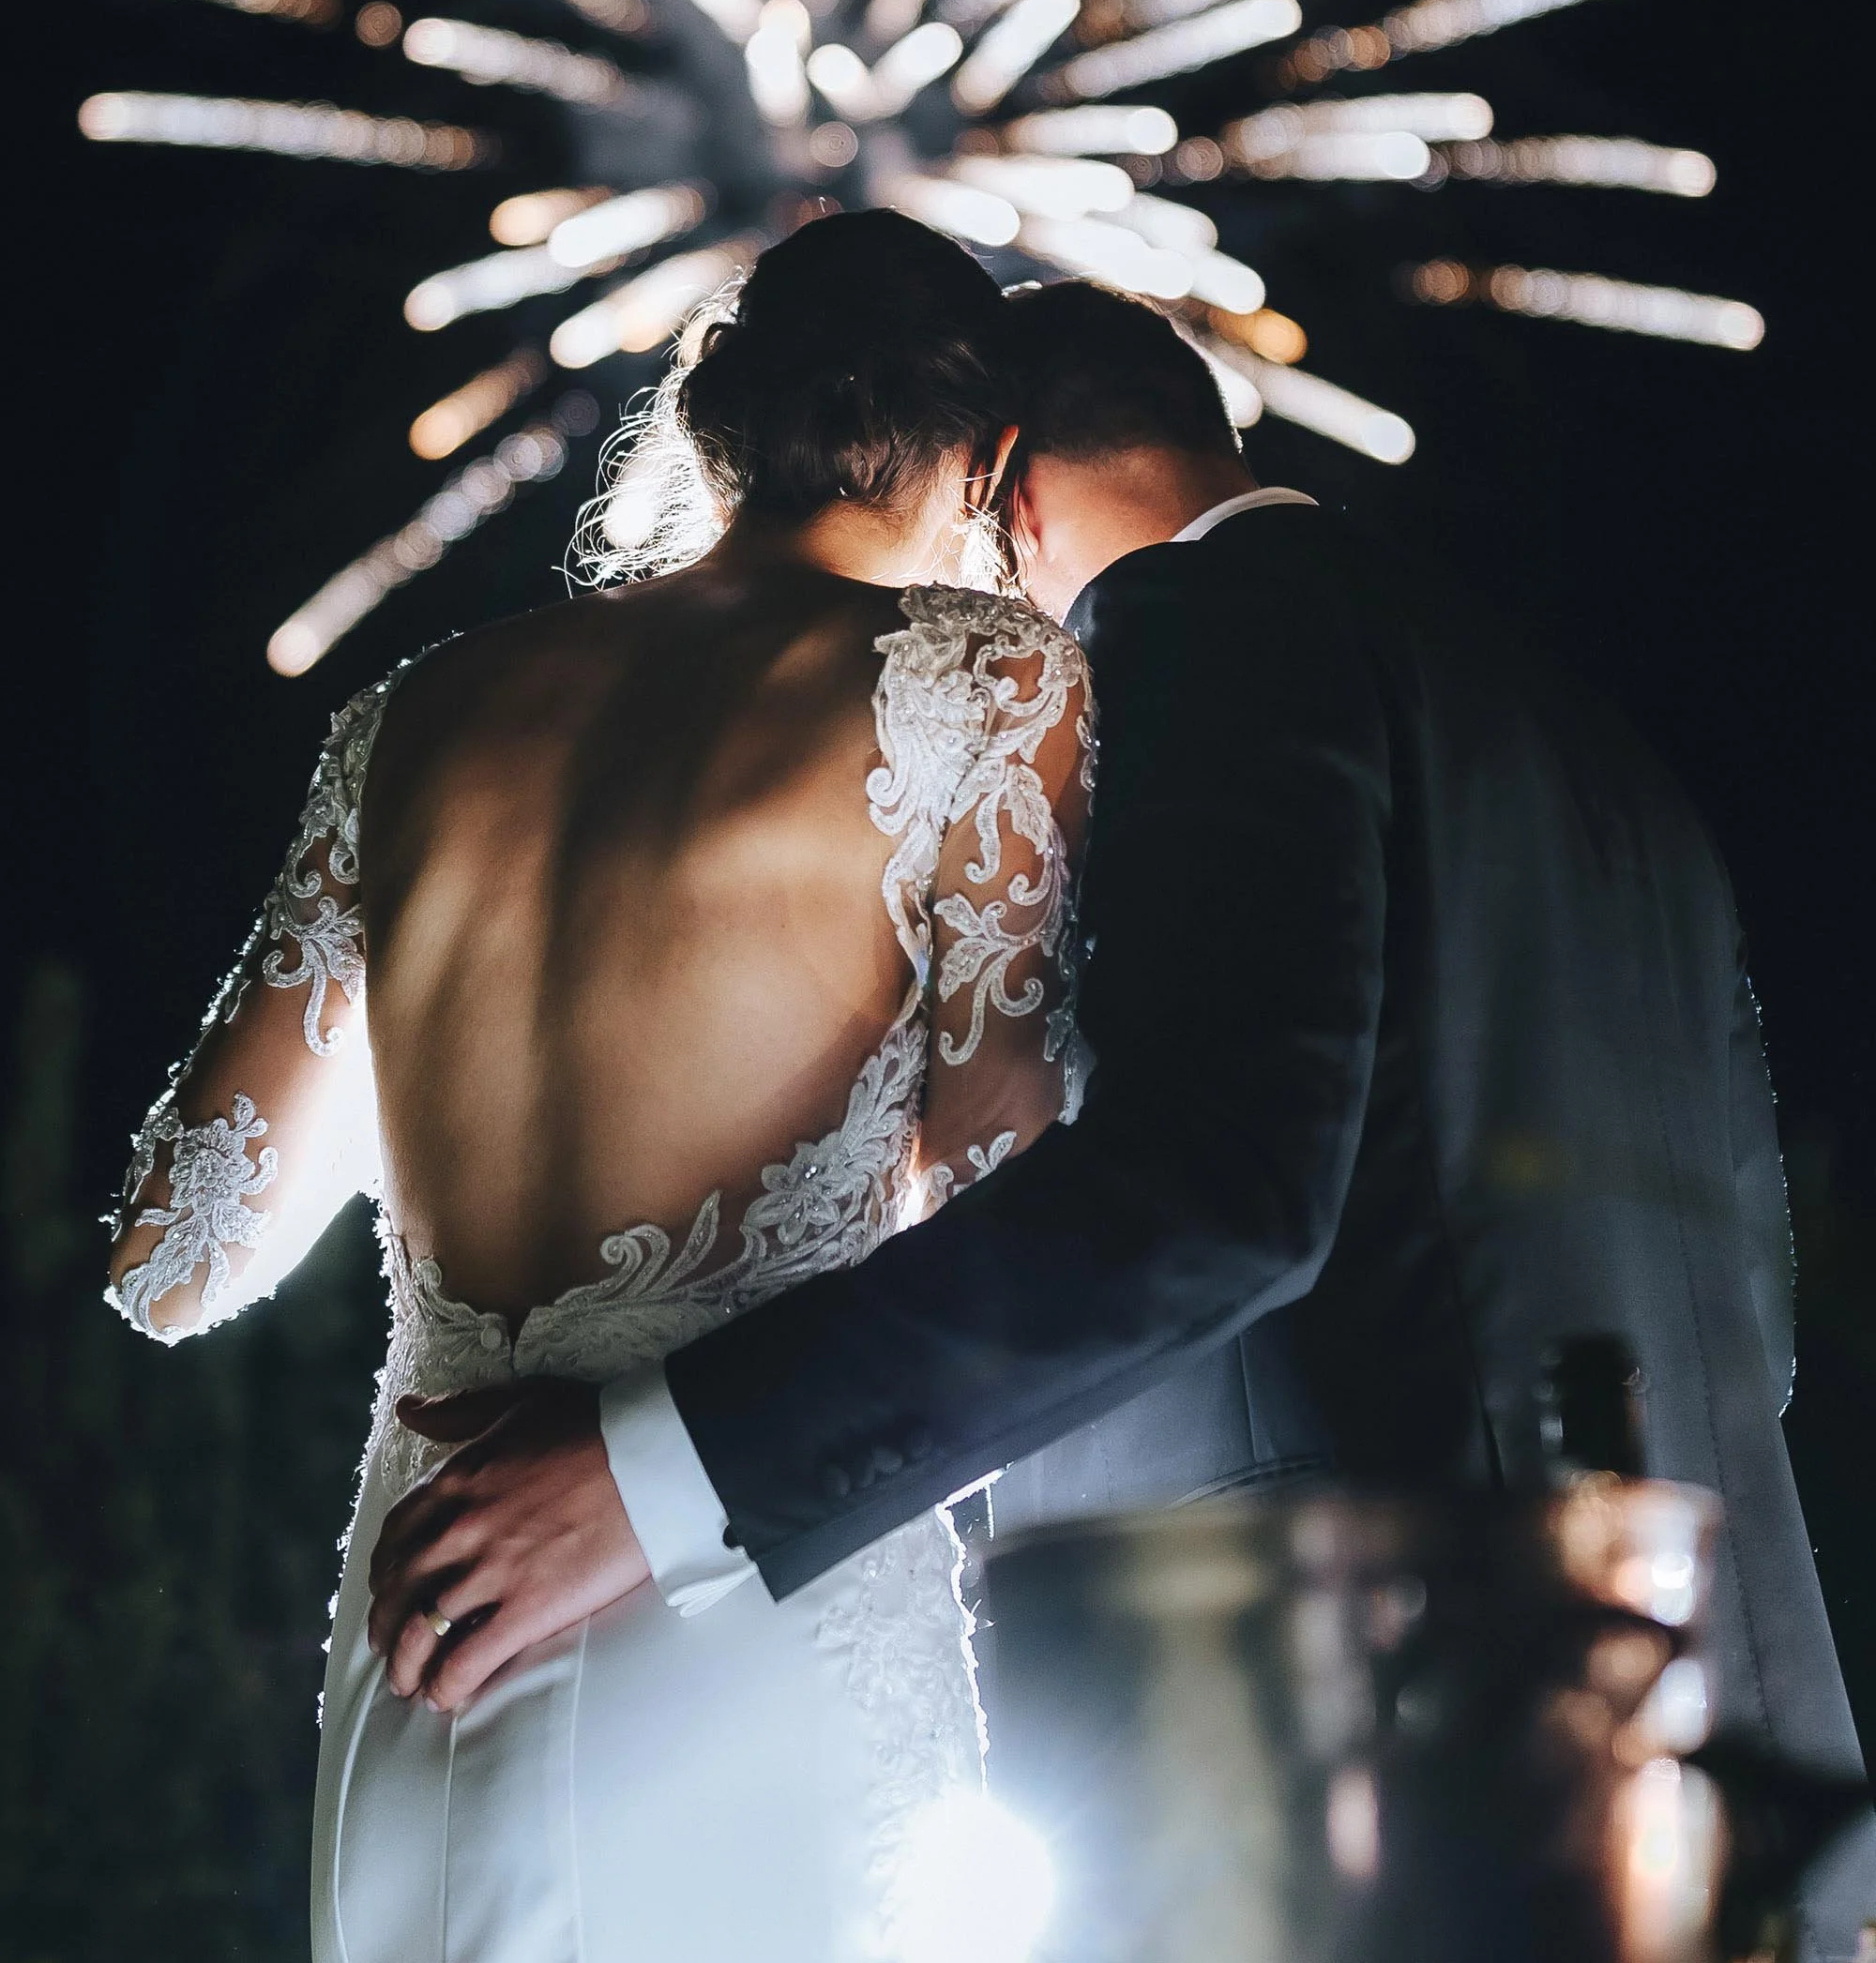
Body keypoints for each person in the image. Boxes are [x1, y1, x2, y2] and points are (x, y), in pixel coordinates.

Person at [375, 278, 1874, 1959]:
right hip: (1728, 1744)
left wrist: (665, 1471)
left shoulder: (1205, 634)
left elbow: (1215, 1189)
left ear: (998, 489)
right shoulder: (1594, 748)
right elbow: (1750, 1284)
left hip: (1386, 1756)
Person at [104, 209, 1096, 1963]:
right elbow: (1019, 1183)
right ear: (991, 456)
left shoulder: (409, 718)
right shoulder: (983, 679)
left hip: (426, 1625)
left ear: (709, 422)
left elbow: (178, 1262)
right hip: (746, 1604)